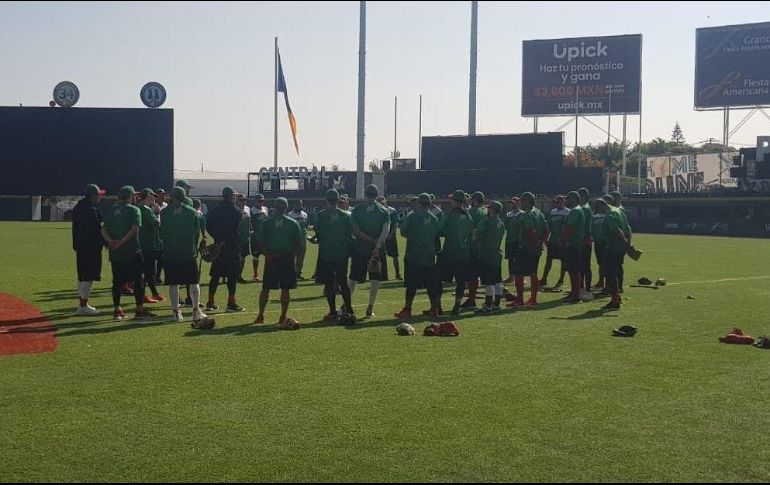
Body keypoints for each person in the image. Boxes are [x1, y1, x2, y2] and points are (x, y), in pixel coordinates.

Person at [101, 185, 156, 320]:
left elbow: (103, 228)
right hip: (132, 250)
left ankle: (117, 309)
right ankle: (139, 309)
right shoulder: (134, 210)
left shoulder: (112, 209)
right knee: (138, 280)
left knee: (117, 282)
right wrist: (122, 241)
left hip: (115, 253)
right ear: (131, 196)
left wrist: (111, 241)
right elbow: (134, 229)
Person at [160, 187, 211, 326]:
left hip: (170, 253)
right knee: (194, 282)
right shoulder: (193, 212)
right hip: (188, 252)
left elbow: (161, 232)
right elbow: (198, 231)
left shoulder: (164, 212)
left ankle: (176, 312)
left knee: (173, 283)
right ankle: (195, 310)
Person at [254, 197, 304, 327]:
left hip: (272, 258)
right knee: (285, 289)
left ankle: (261, 314)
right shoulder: (293, 223)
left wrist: (267, 253)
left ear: (274, 207)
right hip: (286, 258)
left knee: (266, 288)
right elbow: (298, 243)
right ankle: (282, 315)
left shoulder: (266, 223)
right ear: (286, 207)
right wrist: (292, 255)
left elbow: (261, 241)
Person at [394, 193, 442, 319]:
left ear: (419, 204)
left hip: (413, 255)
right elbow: (436, 234)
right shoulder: (434, 218)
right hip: (429, 256)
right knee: (430, 285)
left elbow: (403, 232)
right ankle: (434, 309)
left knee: (411, 285)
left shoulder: (412, 217)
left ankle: (408, 309)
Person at [349, 184, 391, 317]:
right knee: (374, 280)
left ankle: (346, 305)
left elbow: (356, 232)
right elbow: (385, 232)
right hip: (376, 251)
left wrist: (372, 242)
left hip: (361, 249)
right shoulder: (384, 211)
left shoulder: (357, 210)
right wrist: (377, 245)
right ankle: (370, 307)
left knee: (353, 278)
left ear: (365, 195)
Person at [314, 189, 354, 321]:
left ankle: (332, 312)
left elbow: (318, 235)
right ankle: (349, 309)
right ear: (338, 200)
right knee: (343, 282)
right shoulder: (346, 215)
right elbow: (350, 236)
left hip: (326, 254)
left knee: (329, 284)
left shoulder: (320, 215)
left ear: (326, 200)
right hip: (341, 254)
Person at [205, 186, 245, 312]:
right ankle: (231, 303)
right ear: (231, 196)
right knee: (232, 276)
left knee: (216, 275)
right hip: (232, 246)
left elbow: (208, 225)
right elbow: (236, 229)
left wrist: (218, 237)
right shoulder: (236, 210)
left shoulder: (215, 210)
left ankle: (210, 302)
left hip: (219, 246)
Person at [71, 183, 106, 316]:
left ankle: (82, 303)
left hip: (81, 247)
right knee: (88, 277)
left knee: (82, 276)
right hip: (90, 248)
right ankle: (83, 306)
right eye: (98, 195)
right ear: (92, 196)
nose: (100, 197)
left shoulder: (79, 207)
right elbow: (97, 230)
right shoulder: (90, 211)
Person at [438, 190, 473, 316]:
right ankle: (457, 306)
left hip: (449, 253)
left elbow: (440, 230)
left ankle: (438, 307)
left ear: (455, 200)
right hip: (463, 254)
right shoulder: (468, 215)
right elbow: (470, 232)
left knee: (439, 280)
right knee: (461, 282)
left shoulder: (448, 215)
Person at [510, 192, 548, 308]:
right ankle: (533, 299)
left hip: (527, 247)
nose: (521, 203)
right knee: (533, 273)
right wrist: (541, 243)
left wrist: (534, 243)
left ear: (527, 201)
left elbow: (530, 231)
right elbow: (547, 229)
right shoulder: (539, 212)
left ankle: (520, 299)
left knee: (518, 274)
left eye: (522, 201)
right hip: (536, 249)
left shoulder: (527, 214)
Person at [597, 198, 631, 310]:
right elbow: (628, 229)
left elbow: (617, 231)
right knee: (615, 272)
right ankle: (617, 297)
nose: (598, 212)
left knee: (610, 274)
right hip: (620, 248)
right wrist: (628, 244)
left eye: (597, 208)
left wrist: (626, 243)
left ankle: (615, 301)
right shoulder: (619, 211)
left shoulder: (610, 215)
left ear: (602, 205)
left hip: (613, 247)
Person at [474, 200, 506, 314]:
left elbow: (476, 235)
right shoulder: (501, 223)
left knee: (488, 282)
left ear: (492, 209)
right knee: (497, 280)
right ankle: (496, 304)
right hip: (497, 254)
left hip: (486, 254)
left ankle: (488, 305)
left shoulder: (486, 221)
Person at [137, 188, 165, 304]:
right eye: (152, 196)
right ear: (147, 197)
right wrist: (158, 213)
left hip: (141, 244)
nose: (154, 198)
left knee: (146, 272)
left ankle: (153, 293)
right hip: (147, 245)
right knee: (147, 271)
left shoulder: (139, 208)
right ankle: (142, 296)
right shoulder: (145, 209)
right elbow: (156, 224)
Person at [558, 191, 585, 304]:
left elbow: (570, 228)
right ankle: (574, 292)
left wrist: (562, 239)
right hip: (573, 244)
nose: (566, 201)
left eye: (568, 199)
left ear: (573, 199)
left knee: (574, 270)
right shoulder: (576, 210)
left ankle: (576, 294)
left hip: (572, 244)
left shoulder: (575, 211)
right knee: (572, 270)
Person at [462, 191, 487, 309]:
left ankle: (472, 299)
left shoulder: (472, 211)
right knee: (485, 275)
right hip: (486, 247)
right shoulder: (486, 211)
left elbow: (468, 228)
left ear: (475, 200)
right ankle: (489, 301)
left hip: (474, 246)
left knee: (472, 275)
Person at [540, 195, 569, 290]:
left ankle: (561, 279)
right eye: (556, 202)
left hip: (562, 241)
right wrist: (545, 239)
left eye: (559, 202)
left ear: (563, 202)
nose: (557, 204)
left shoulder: (567, 212)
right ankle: (544, 278)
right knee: (549, 260)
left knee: (564, 261)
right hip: (553, 240)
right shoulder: (553, 212)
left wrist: (564, 240)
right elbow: (549, 227)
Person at [377, 196, 402, 280]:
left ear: (385, 201)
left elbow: (395, 224)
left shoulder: (392, 210)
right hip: (380, 237)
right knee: (379, 257)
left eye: (382, 202)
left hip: (390, 237)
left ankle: (397, 273)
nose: (381, 203)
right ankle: (380, 274)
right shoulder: (377, 211)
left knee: (395, 256)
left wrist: (391, 234)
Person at [577, 187, 594, 301]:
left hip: (584, 240)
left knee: (585, 266)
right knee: (581, 266)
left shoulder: (585, 208)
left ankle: (587, 289)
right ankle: (581, 287)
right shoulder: (585, 208)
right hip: (583, 240)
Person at [504, 197, 524, 285]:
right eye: (511, 203)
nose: (512, 204)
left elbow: (516, 225)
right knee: (510, 259)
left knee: (519, 259)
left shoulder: (522, 214)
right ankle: (511, 276)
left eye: (514, 203)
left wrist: (511, 224)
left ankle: (520, 276)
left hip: (518, 240)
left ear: (518, 203)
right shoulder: (508, 214)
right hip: (509, 239)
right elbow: (506, 225)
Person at [287, 200, 309, 280]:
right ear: (294, 205)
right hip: (293, 239)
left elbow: (306, 225)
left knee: (301, 257)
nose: (300, 206)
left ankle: (298, 273)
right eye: (298, 205)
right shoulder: (290, 215)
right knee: (292, 257)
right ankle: (290, 273)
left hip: (303, 238)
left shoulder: (304, 214)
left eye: (301, 205)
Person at [592, 197, 608, 292]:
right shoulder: (594, 216)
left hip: (605, 243)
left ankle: (607, 283)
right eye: (597, 205)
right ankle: (601, 280)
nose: (599, 207)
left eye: (601, 205)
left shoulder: (608, 216)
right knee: (600, 263)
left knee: (606, 263)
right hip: (597, 243)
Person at [235, 193, 252, 284]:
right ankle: (234, 275)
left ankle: (239, 275)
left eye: (244, 200)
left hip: (246, 237)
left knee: (243, 257)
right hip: (237, 238)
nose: (243, 201)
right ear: (237, 200)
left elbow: (249, 221)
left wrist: (250, 230)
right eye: (241, 200)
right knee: (236, 257)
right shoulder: (234, 209)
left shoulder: (248, 209)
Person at [154, 188, 168, 284]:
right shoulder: (153, 206)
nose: (163, 196)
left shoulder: (166, 205)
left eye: (164, 195)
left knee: (162, 257)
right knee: (154, 257)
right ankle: (153, 276)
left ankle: (158, 276)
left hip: (165, 233)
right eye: (161, 195)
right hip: (155, 233)